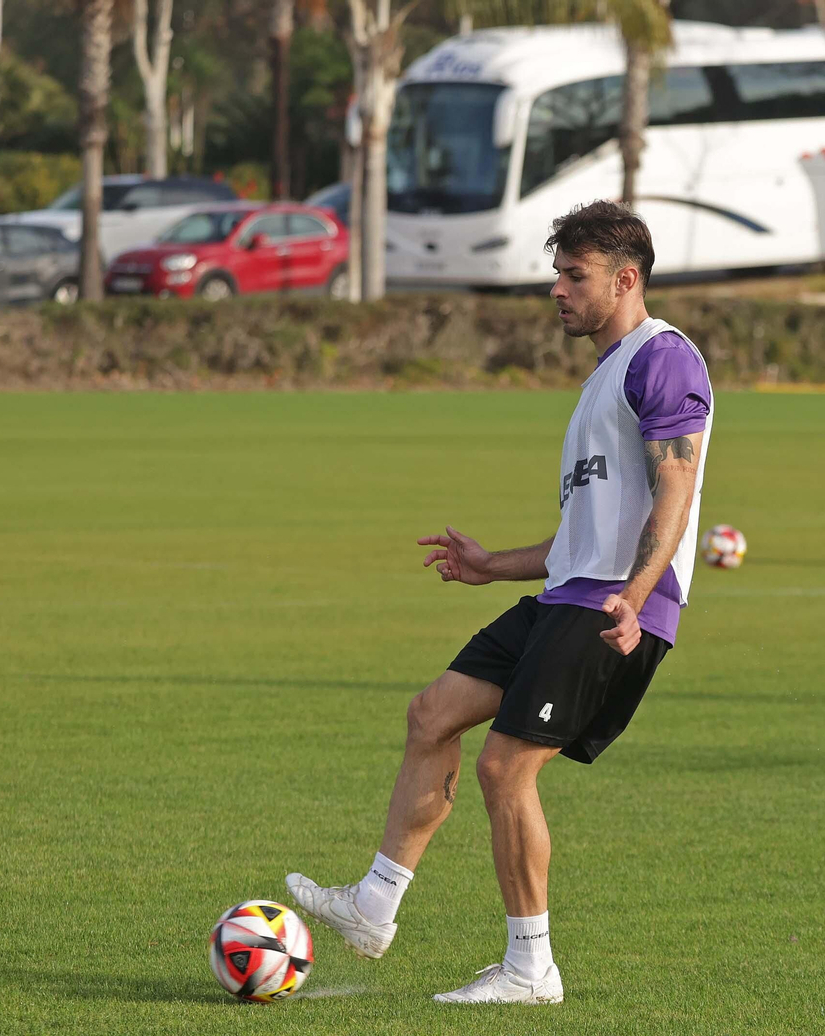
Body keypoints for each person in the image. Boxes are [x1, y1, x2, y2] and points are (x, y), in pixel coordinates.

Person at [285, 201, 713, 1005]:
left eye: (572, 274)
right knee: (432, 714)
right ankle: (374, 907)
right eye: (557, 272)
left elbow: (677, 485)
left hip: (611, 610)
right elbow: (581, 534)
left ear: (626, 280)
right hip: (568, 596)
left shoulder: (664, 359)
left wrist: (635, 594)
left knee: (505, 768)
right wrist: (492, 567)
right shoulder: (603, 378)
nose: (556, 288)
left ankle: (530, 969)